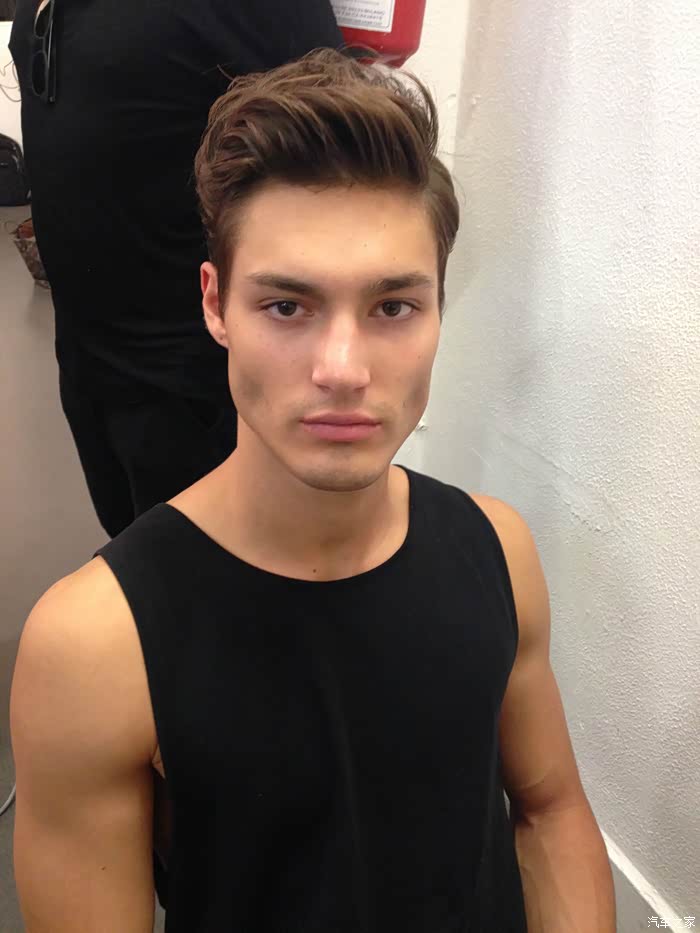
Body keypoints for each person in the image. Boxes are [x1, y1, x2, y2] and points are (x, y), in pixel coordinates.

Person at [10, 49, 616, 933]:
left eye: (393, 306)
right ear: (215, 304)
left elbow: (551, 810)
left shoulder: (498, 550)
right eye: (287, 306)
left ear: (439, 309)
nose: (343, 369)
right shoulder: (95, 644)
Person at [9, 0, 344, 538]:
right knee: (136, 554)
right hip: (89, 361)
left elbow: (338, 172)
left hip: (198, 388)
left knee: (220, 580)